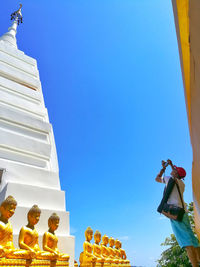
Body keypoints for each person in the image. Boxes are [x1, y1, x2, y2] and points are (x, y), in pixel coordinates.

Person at [155, 159, 200, 267]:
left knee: (186, 241)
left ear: (176, 173)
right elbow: (177, 174)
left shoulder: (168, 178)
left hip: (175, 214)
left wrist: (164, 168)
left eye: (175, 169)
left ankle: (195, 265)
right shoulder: (182, 184)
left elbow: (157, 179)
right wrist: (171, 166)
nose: (173, 170)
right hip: (183, 212)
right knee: (192, 238)